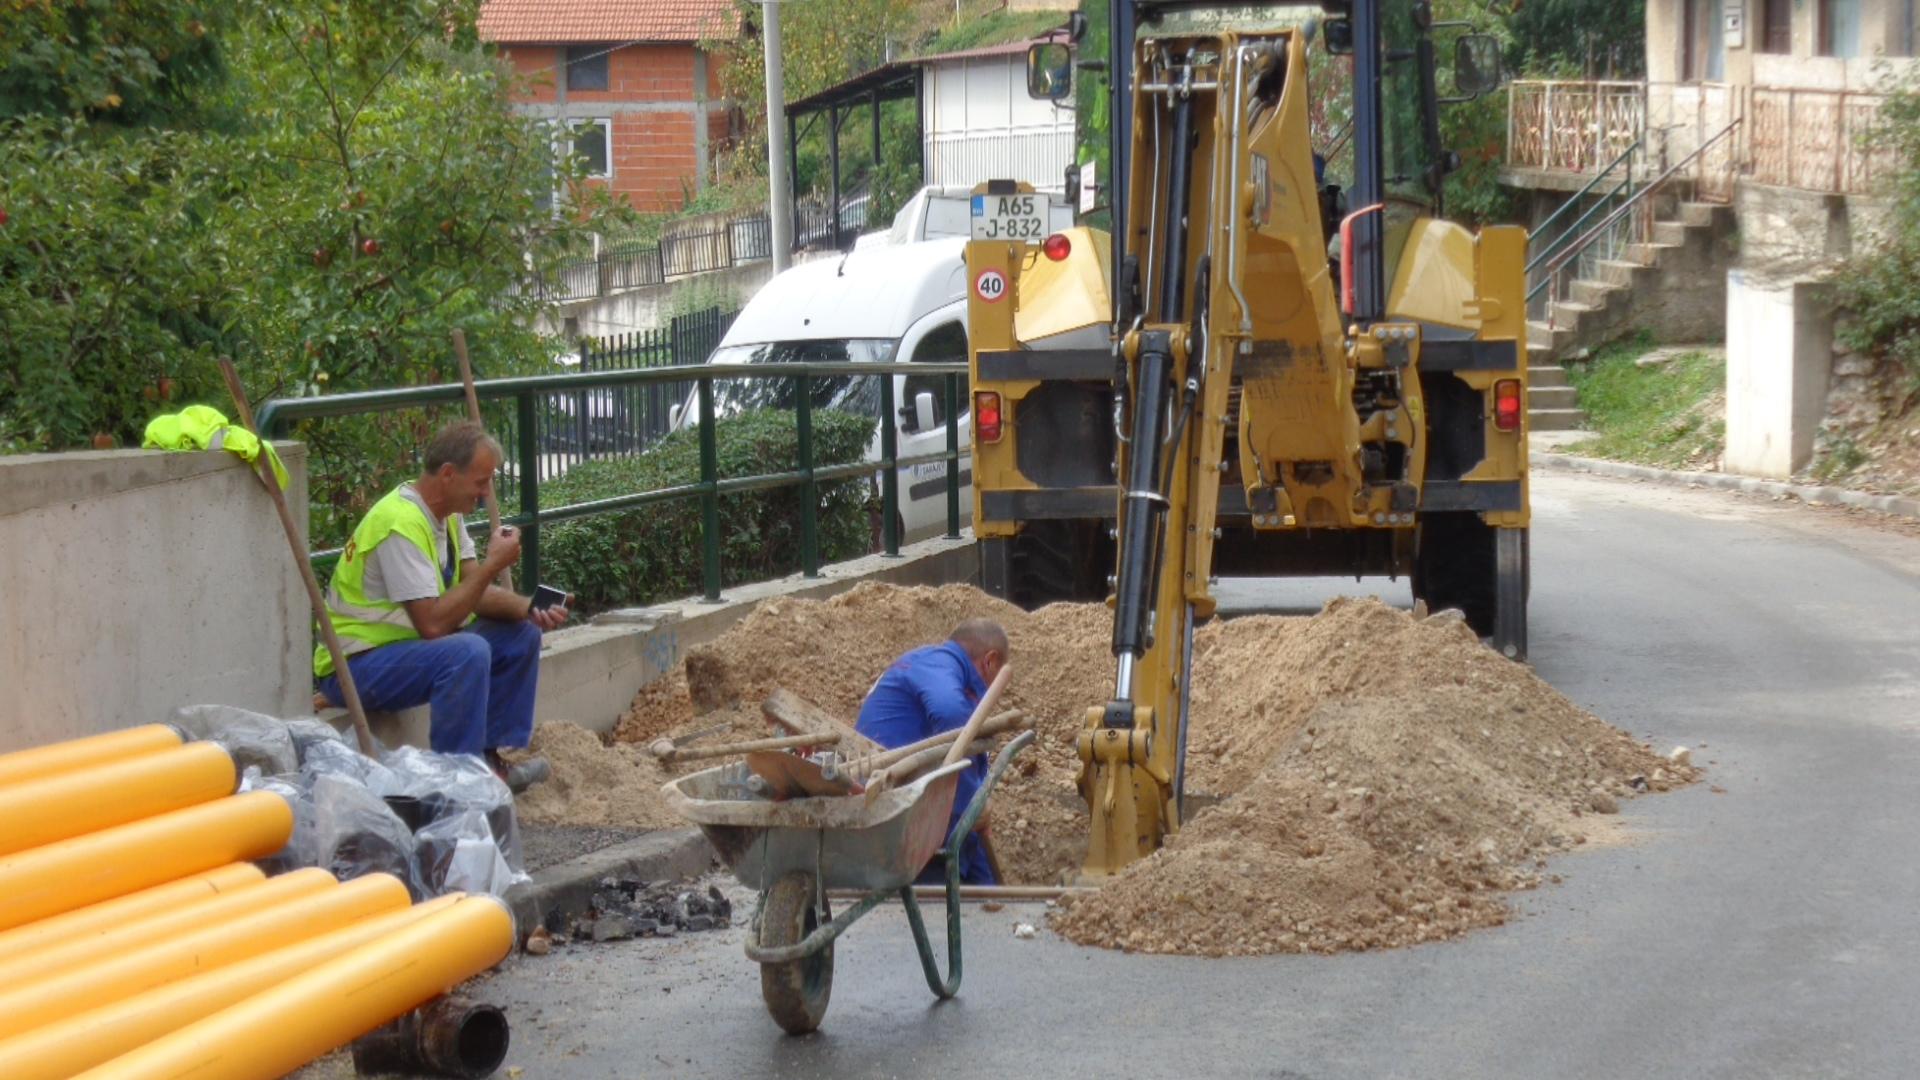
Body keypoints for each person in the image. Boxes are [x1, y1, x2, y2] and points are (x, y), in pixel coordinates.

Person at [314, 421, 566, 791]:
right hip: (354, 665)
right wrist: (495, 564)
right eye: (481, 482)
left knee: (520, 635)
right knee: (467, 652)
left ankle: (487, 762)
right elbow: (432, 624)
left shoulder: (448, 515)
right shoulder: (399, 524)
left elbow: (474, 592)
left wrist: (529, 608)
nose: (485, 495)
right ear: (448, 474)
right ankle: (458, 783)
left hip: (402, 654)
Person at [855, 619, 1009, 885]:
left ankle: (996, 906)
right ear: (990, 661)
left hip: (917, 809)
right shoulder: (937, 665)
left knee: (982, 876)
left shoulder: (927, 664)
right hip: (899, 816)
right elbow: (951, 715)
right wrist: (973, 804)